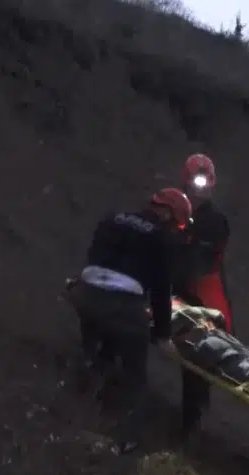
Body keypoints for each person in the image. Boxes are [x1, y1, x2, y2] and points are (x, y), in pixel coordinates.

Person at [65, 188, 191, 455]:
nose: (176, 231)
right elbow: (161, 291)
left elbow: (94, 257)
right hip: (122, 303)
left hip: (86, 294)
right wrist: (162, 334)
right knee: (135, 375)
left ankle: (73, 404)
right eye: (178, 226)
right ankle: (125, 440)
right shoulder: (161, 238)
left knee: (97, 348)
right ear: (168, 215)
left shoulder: (112, 218)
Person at [171, 153, 234, 440]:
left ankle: (192, 421)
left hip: (202, 293)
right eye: (196, 180)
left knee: (200, 353)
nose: (200, 187)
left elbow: (201, 260)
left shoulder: (215, 221)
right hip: (171, 282)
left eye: (205, 181)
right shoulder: (173, 205)